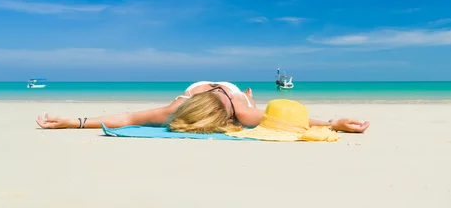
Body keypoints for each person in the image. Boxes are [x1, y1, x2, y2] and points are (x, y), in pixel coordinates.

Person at [36, 81, 370, 134]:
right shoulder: (176, 108)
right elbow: (127, 117)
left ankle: (250, 93)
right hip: (198, 94)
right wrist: (73, 122)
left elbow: (280, 121)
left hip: (232, 92)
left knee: (254, 110)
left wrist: (332, 122)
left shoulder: (240, 110)